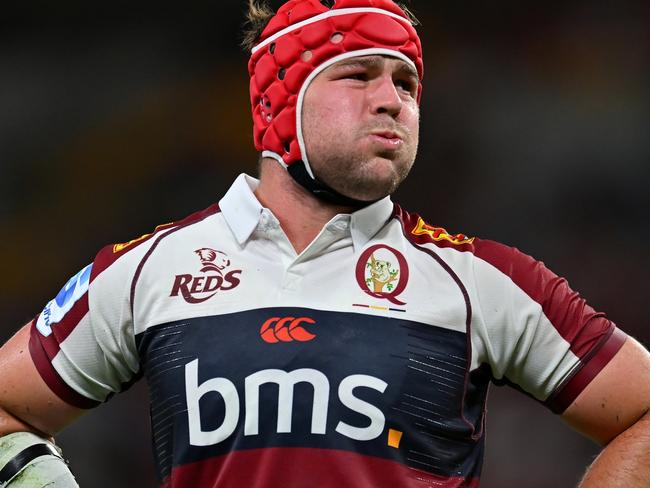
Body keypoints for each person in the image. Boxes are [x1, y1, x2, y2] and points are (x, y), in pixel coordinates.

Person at [1, 0, 649, 486]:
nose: (393, 100)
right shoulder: (149, 270)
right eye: (359, 74)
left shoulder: (481, 279)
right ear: (278, 99)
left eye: (406, 83)